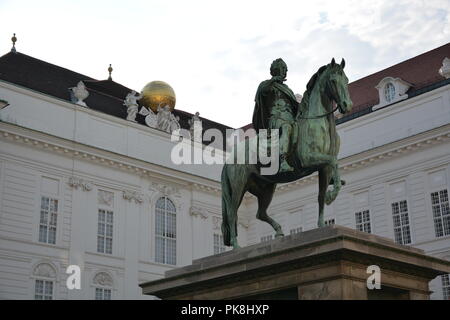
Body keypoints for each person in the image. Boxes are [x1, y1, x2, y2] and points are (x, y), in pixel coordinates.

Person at [252, 58, 299, 172]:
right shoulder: (266, 85)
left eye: (285, 70)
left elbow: (295, 106)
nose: (284, 72)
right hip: (276, 119)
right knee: (286, 128)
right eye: (282, 69)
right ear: (276, 70)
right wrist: (273, 80)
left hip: (291, 119)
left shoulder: (287, 89)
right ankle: (283, 161)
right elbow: (261, 92)